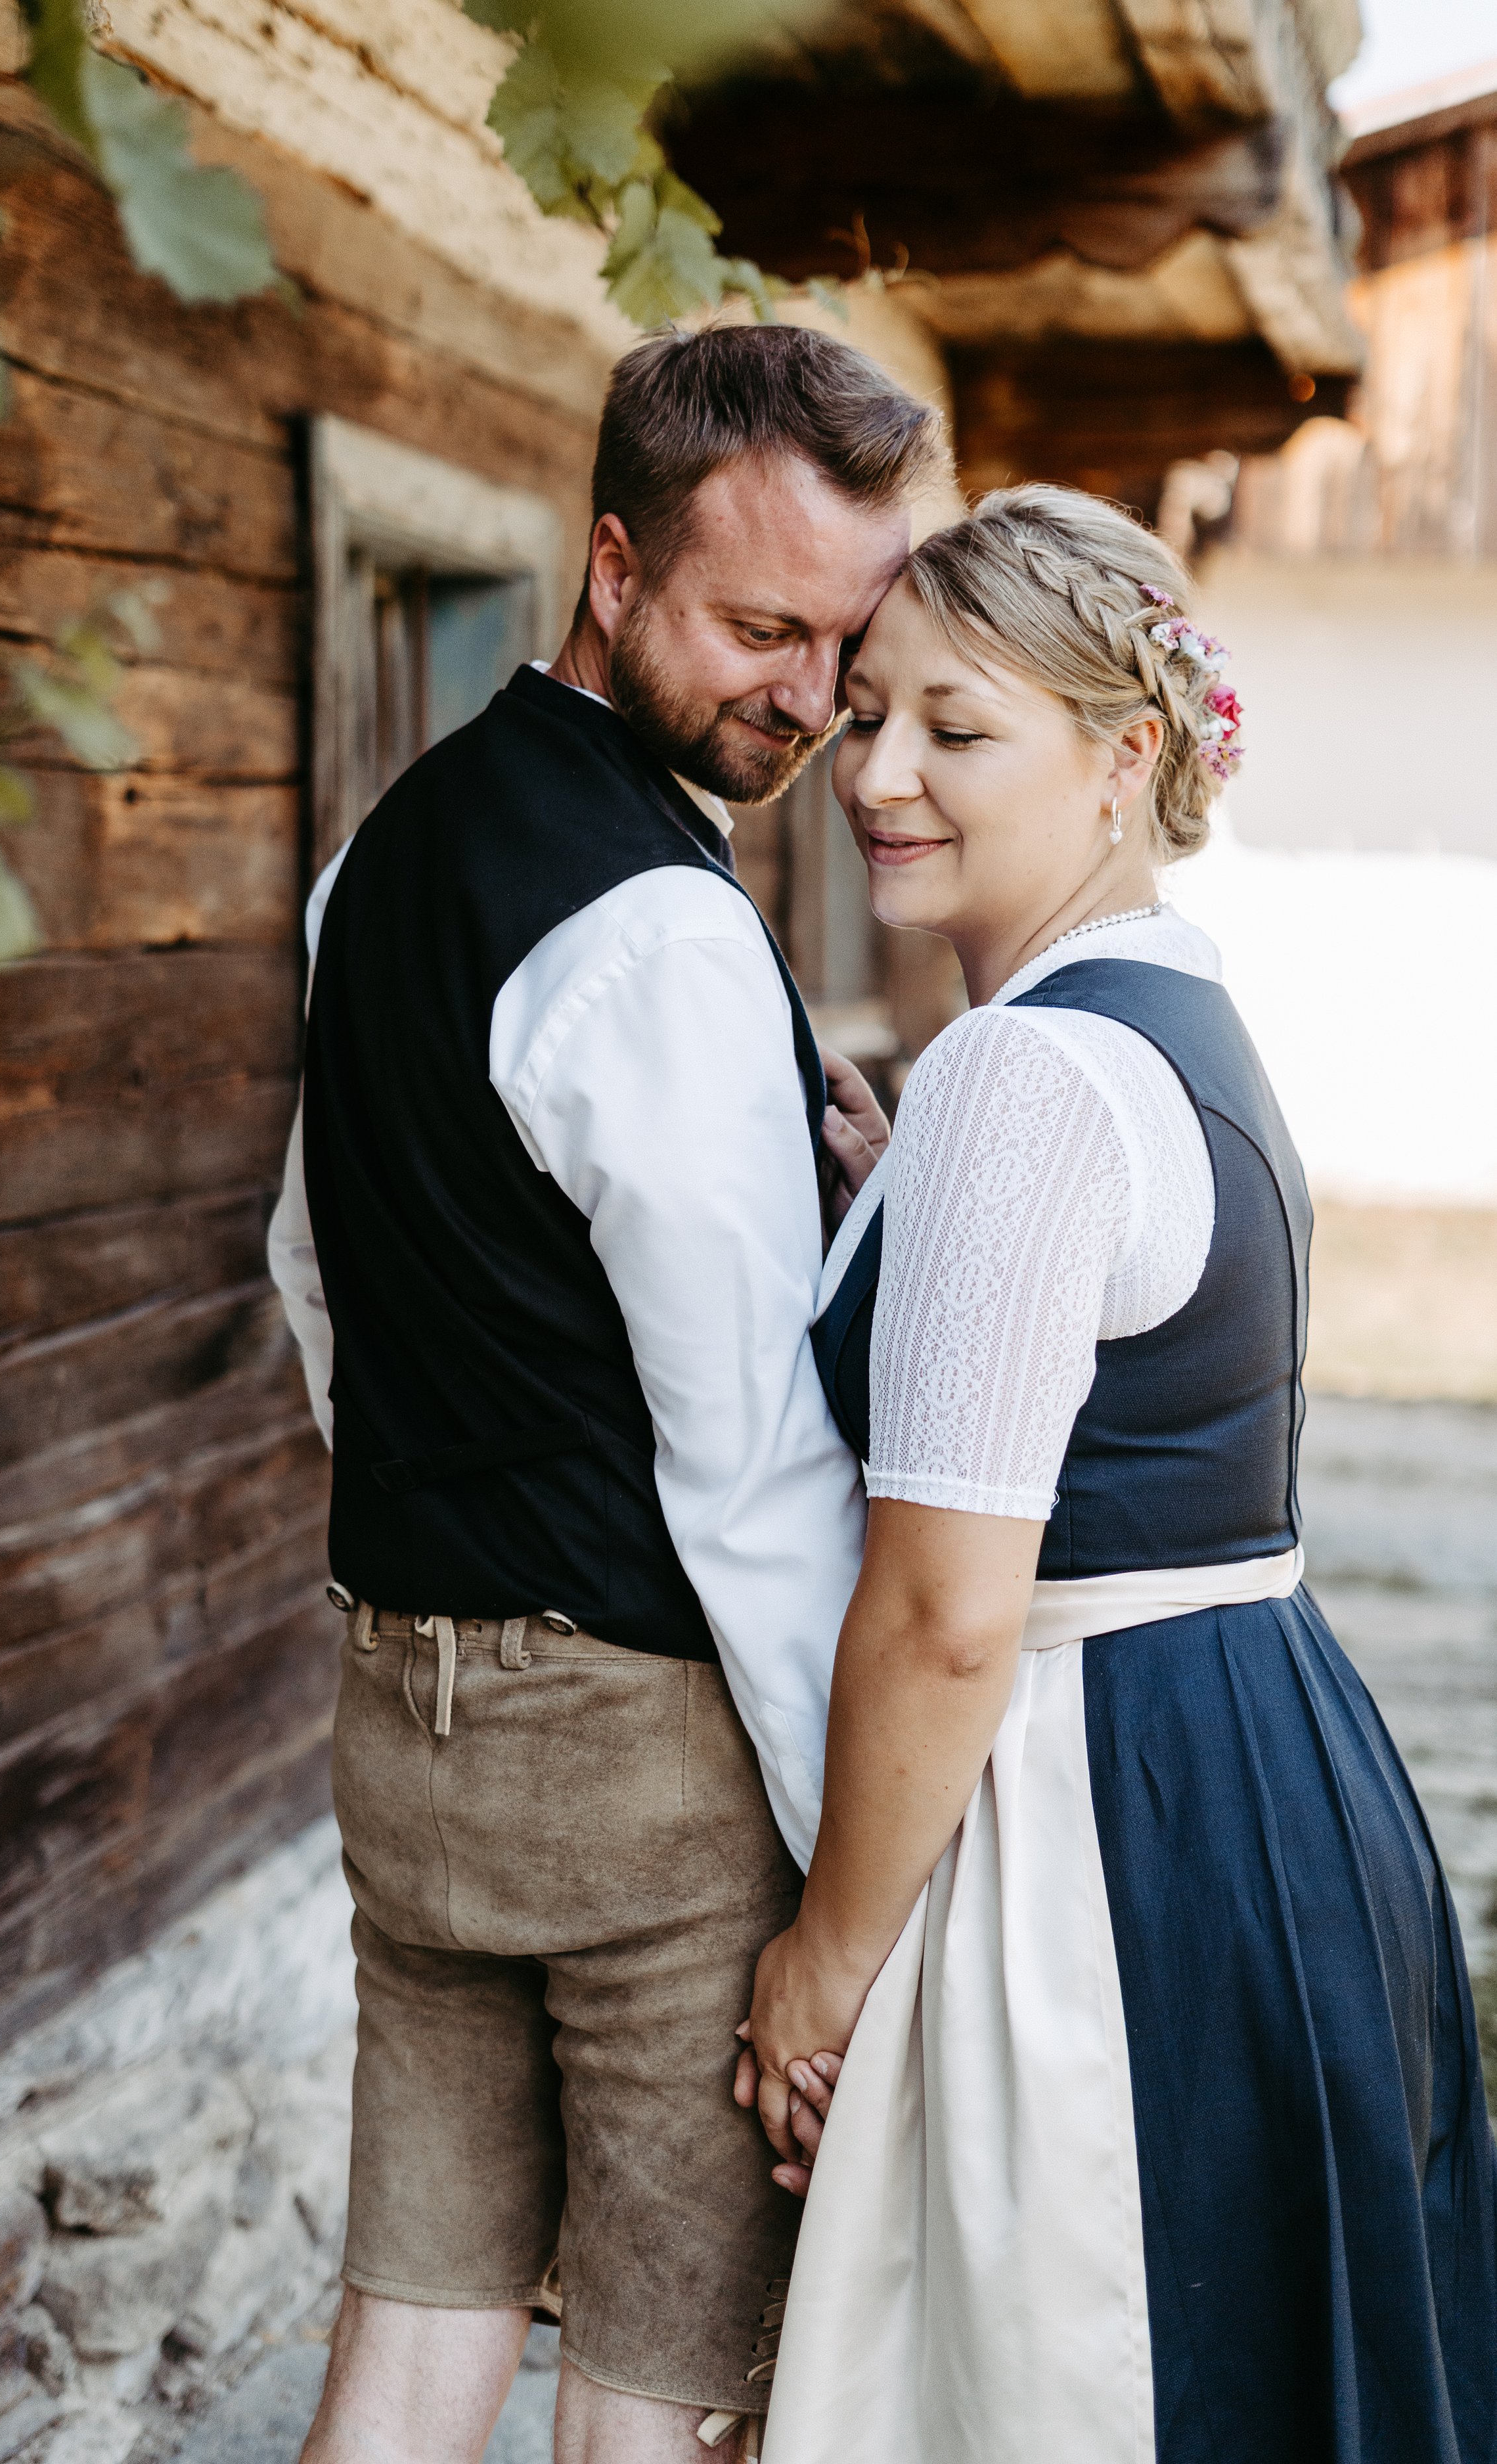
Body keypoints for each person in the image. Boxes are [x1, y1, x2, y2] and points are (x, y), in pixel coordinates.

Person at [739, 486, 1497, 2463]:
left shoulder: (1019, 1075)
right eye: (866, 715)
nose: (878, 776)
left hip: (1100, 1810)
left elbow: (940, 1612)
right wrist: (897, 1207)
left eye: (954, 730)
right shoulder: (1172, 1016)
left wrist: (819, 1971)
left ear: (1125, 754)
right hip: (1271, 1759)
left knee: (1073, 2375)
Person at [266, 325, 945, 2464]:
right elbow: (745, 1469)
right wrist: (859, 1880)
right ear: (611, 562)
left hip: (405, 1719)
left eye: (844, 638)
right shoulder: (657, 932)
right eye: (758, 625)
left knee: (407, 2341)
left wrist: (446, 1533)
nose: (810, 694)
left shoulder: (384, 851)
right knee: (655, 2403)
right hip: (645, 1767)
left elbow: (310, 1271)